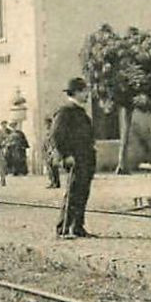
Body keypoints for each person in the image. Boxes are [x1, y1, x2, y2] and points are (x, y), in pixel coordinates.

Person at [50, 78, 97, 238]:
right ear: (76, 92)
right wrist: (66, 155)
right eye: (85, 92)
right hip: (75, 158)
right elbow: (56, 136)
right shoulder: (65, 111)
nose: (87, 95)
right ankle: (63, 228)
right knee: (73, 192)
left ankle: (77, 227)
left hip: (86, 159)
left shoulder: (80, 112)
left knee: (82, 193)